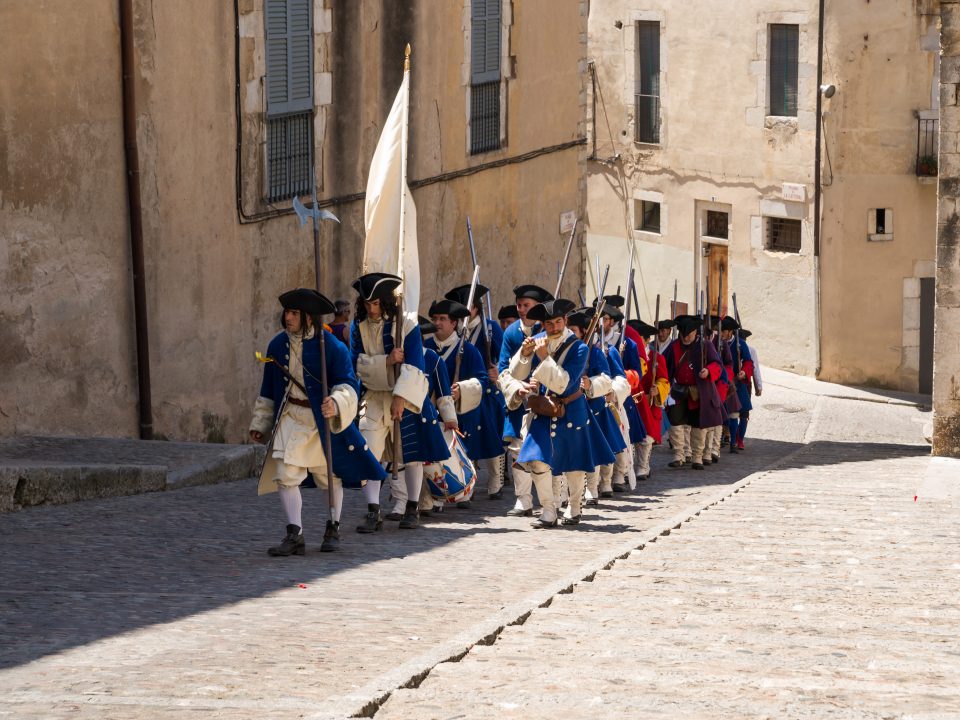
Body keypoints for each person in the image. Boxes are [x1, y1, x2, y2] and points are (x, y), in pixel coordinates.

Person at [250, 288, 386, 556]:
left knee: (329, 478)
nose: (288, 318)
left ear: (308, 317)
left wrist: (335, 402)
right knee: (286, 476)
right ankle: (295, 534)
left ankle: (333, 528)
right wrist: (260, 423)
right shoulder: (277, 345)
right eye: (287, 313)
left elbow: (347, 383)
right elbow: (268, 389)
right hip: (291, 417)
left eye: (294, 313)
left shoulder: (331, 346)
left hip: (321, 421)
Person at [500, 299, 614, 527]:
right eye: (549, 324)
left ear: (565, 321)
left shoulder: (579, 348)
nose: (553, 328)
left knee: (574, 464)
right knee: (537, 462)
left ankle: (574, 507)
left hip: (571, 409)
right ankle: (548, 510)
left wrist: (544, 357)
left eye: (558, 322)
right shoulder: (539, 340)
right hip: (543, 409)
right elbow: (516, 374)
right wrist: (524, 355)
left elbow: (564, 384)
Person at [350, 273, 450, 532]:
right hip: (374, 395)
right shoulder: (358, 326)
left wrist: (400, 397)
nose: (371, 309)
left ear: (385, 301)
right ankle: (373, 510)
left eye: (375, 303)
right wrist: (386, 361)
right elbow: (356, 363)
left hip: (406, 395)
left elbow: (415, 364)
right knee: (368, 452)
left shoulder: (407, 324)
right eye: (367, 303)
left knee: (411, 455)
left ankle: (412, 507)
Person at [426, 298, 507, 502]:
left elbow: (481, 378)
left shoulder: (468, 350)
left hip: (463, 409)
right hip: (434, 409)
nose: (437, 323)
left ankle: (467, 486)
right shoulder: (426, 347)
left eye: (442, 319)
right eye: (435, 318)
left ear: (454, 323)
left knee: (473, 447)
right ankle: (436, 494)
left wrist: (462, 389)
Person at [393, 316, 459, 517]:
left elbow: (443, 393)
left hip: (420, 415)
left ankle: (420, 502)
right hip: (394, 414)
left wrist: (450, 419)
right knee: (395, 462)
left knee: (417, 461)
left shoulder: (433, 358)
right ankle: (400, 502)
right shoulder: (396, 355)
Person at [497, 284, 554, 517]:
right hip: (519, 400)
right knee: (517, 450)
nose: (521, 309)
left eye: (526, 305)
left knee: (547, 448)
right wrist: (518, 388)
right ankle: (523, 500)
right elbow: (503, 369)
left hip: (545, 399)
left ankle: (552, 500)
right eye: (519, 305)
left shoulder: (549, 330)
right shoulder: (511, 333)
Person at [566, 308, 627, 504]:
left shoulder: (597, 352)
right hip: (571, 406)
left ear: (583, 331)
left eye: (573, 330)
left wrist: (590, 383)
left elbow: (606, 379)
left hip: (594, 407)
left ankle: (592, 488)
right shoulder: (565, 352)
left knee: (594, 448)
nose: (569, 333)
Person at [663, 315, 723, 470]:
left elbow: (717, 364)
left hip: (699, 392)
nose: (685, 337)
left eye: (688, 334)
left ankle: (697, 457)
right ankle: (679, 455)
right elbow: (665, 365)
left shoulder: (705, 345)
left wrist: (708, 371)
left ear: (695, 332)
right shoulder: (674, 346)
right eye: (683, 334)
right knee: (675, 421)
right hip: (678, 391)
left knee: (698, 424)